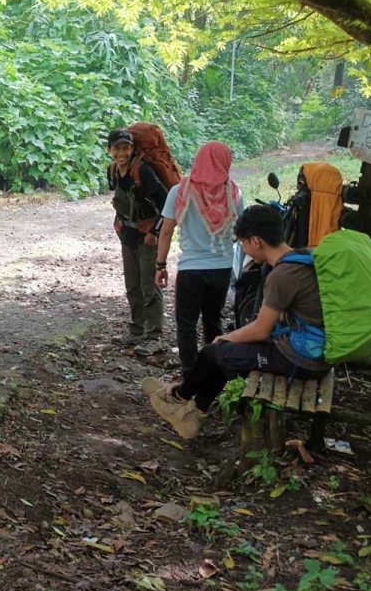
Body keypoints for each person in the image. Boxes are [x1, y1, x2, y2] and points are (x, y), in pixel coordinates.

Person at [141, 205, 330, 439]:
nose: (243, 248)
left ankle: (175, 397)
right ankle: (193, 411)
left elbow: (261, 330)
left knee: (213, 351)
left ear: (256, 241)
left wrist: (225, 337)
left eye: (243, 242)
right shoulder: (300, 257)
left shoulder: (283, 275)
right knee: (225, 353)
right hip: (309, 349)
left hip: (300, 359)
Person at [154, 141, 244, 375]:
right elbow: (240, 232)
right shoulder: (234, 192)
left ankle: (190, 374)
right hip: (222, 268)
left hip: (191, 269)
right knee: (213, 321)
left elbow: (166, 232)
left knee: (186, 325)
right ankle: (213, 372)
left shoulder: (180, 191)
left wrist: (160, 265)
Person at [107, 128, 168, 351]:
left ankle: (153, 337)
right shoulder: (112, 171)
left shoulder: (143, 171)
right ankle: (136, 331)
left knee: (149, 286)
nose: (122, 152)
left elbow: (166, 201)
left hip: (147, 236)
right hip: (128, 235)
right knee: (132, 286)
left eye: (126, 148)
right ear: (109, 150)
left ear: (132, 149)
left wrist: (155, 233)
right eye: (117, 148)